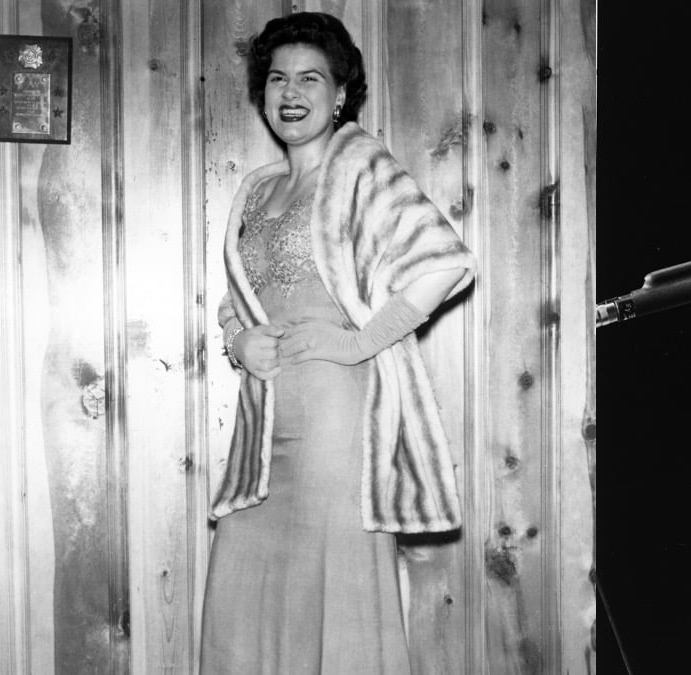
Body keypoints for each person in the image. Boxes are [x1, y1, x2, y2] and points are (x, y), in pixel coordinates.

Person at [201, 12, 474, 674]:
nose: (291, 94)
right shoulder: (256, 188)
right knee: (242, 595)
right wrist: (240, 343)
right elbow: (234, 303)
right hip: (263, 427)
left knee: (341, 594)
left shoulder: (361, 166)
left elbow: (446, 263)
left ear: (342, 93)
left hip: (335, 422)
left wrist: (357, 344)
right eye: (277, 79)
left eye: (310, 79)